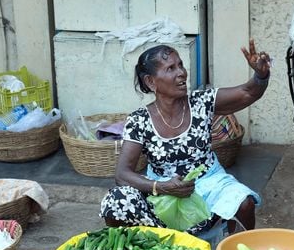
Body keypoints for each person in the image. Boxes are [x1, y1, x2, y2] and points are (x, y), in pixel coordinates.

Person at [99, 40, 270, 235]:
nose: (181, 73)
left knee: (243, 202)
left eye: (180, 65)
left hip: (209, 183)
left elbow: (248, 92)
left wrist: (260, 75)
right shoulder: (139, 120)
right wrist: (162, 187)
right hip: (162, 191)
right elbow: (122, 174)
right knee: (117, 202)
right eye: (171, 68)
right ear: (150, 81)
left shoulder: (201, 102)